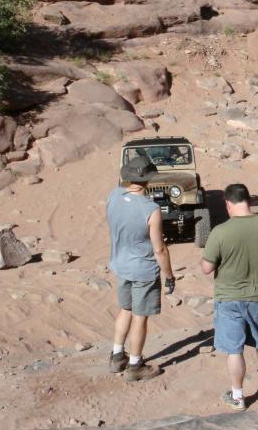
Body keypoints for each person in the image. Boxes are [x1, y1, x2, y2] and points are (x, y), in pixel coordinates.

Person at [201, 183, 258, 411]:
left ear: (228, 204)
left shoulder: (221, 231)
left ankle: (238, 396)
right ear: (249, 201)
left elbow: (207, 268)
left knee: (234, 349)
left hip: (229, 299)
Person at [106, 156, 176, 382]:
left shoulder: (113, 195)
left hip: (120, 264)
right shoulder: (150, 209)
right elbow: (159, 249)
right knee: (140, 316)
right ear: (148, 179)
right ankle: (135, 365)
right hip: (143, 269)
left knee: (125, 309)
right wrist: (169, 276)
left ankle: (117, 356)